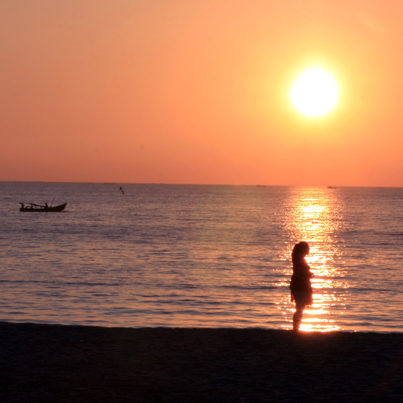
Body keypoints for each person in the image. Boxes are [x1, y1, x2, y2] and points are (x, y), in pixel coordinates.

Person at [290, 241, 314, 331]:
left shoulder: (298, 259)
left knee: (300, 307)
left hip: (299, 285)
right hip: (301, 286)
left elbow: (299, 272)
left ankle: (296, 328)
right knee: (299, 308)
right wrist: (308, 274)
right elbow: (300, 273)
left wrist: (308, 274)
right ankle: (296, 329)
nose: (308, 250)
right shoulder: (299, 259)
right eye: (307, 248)